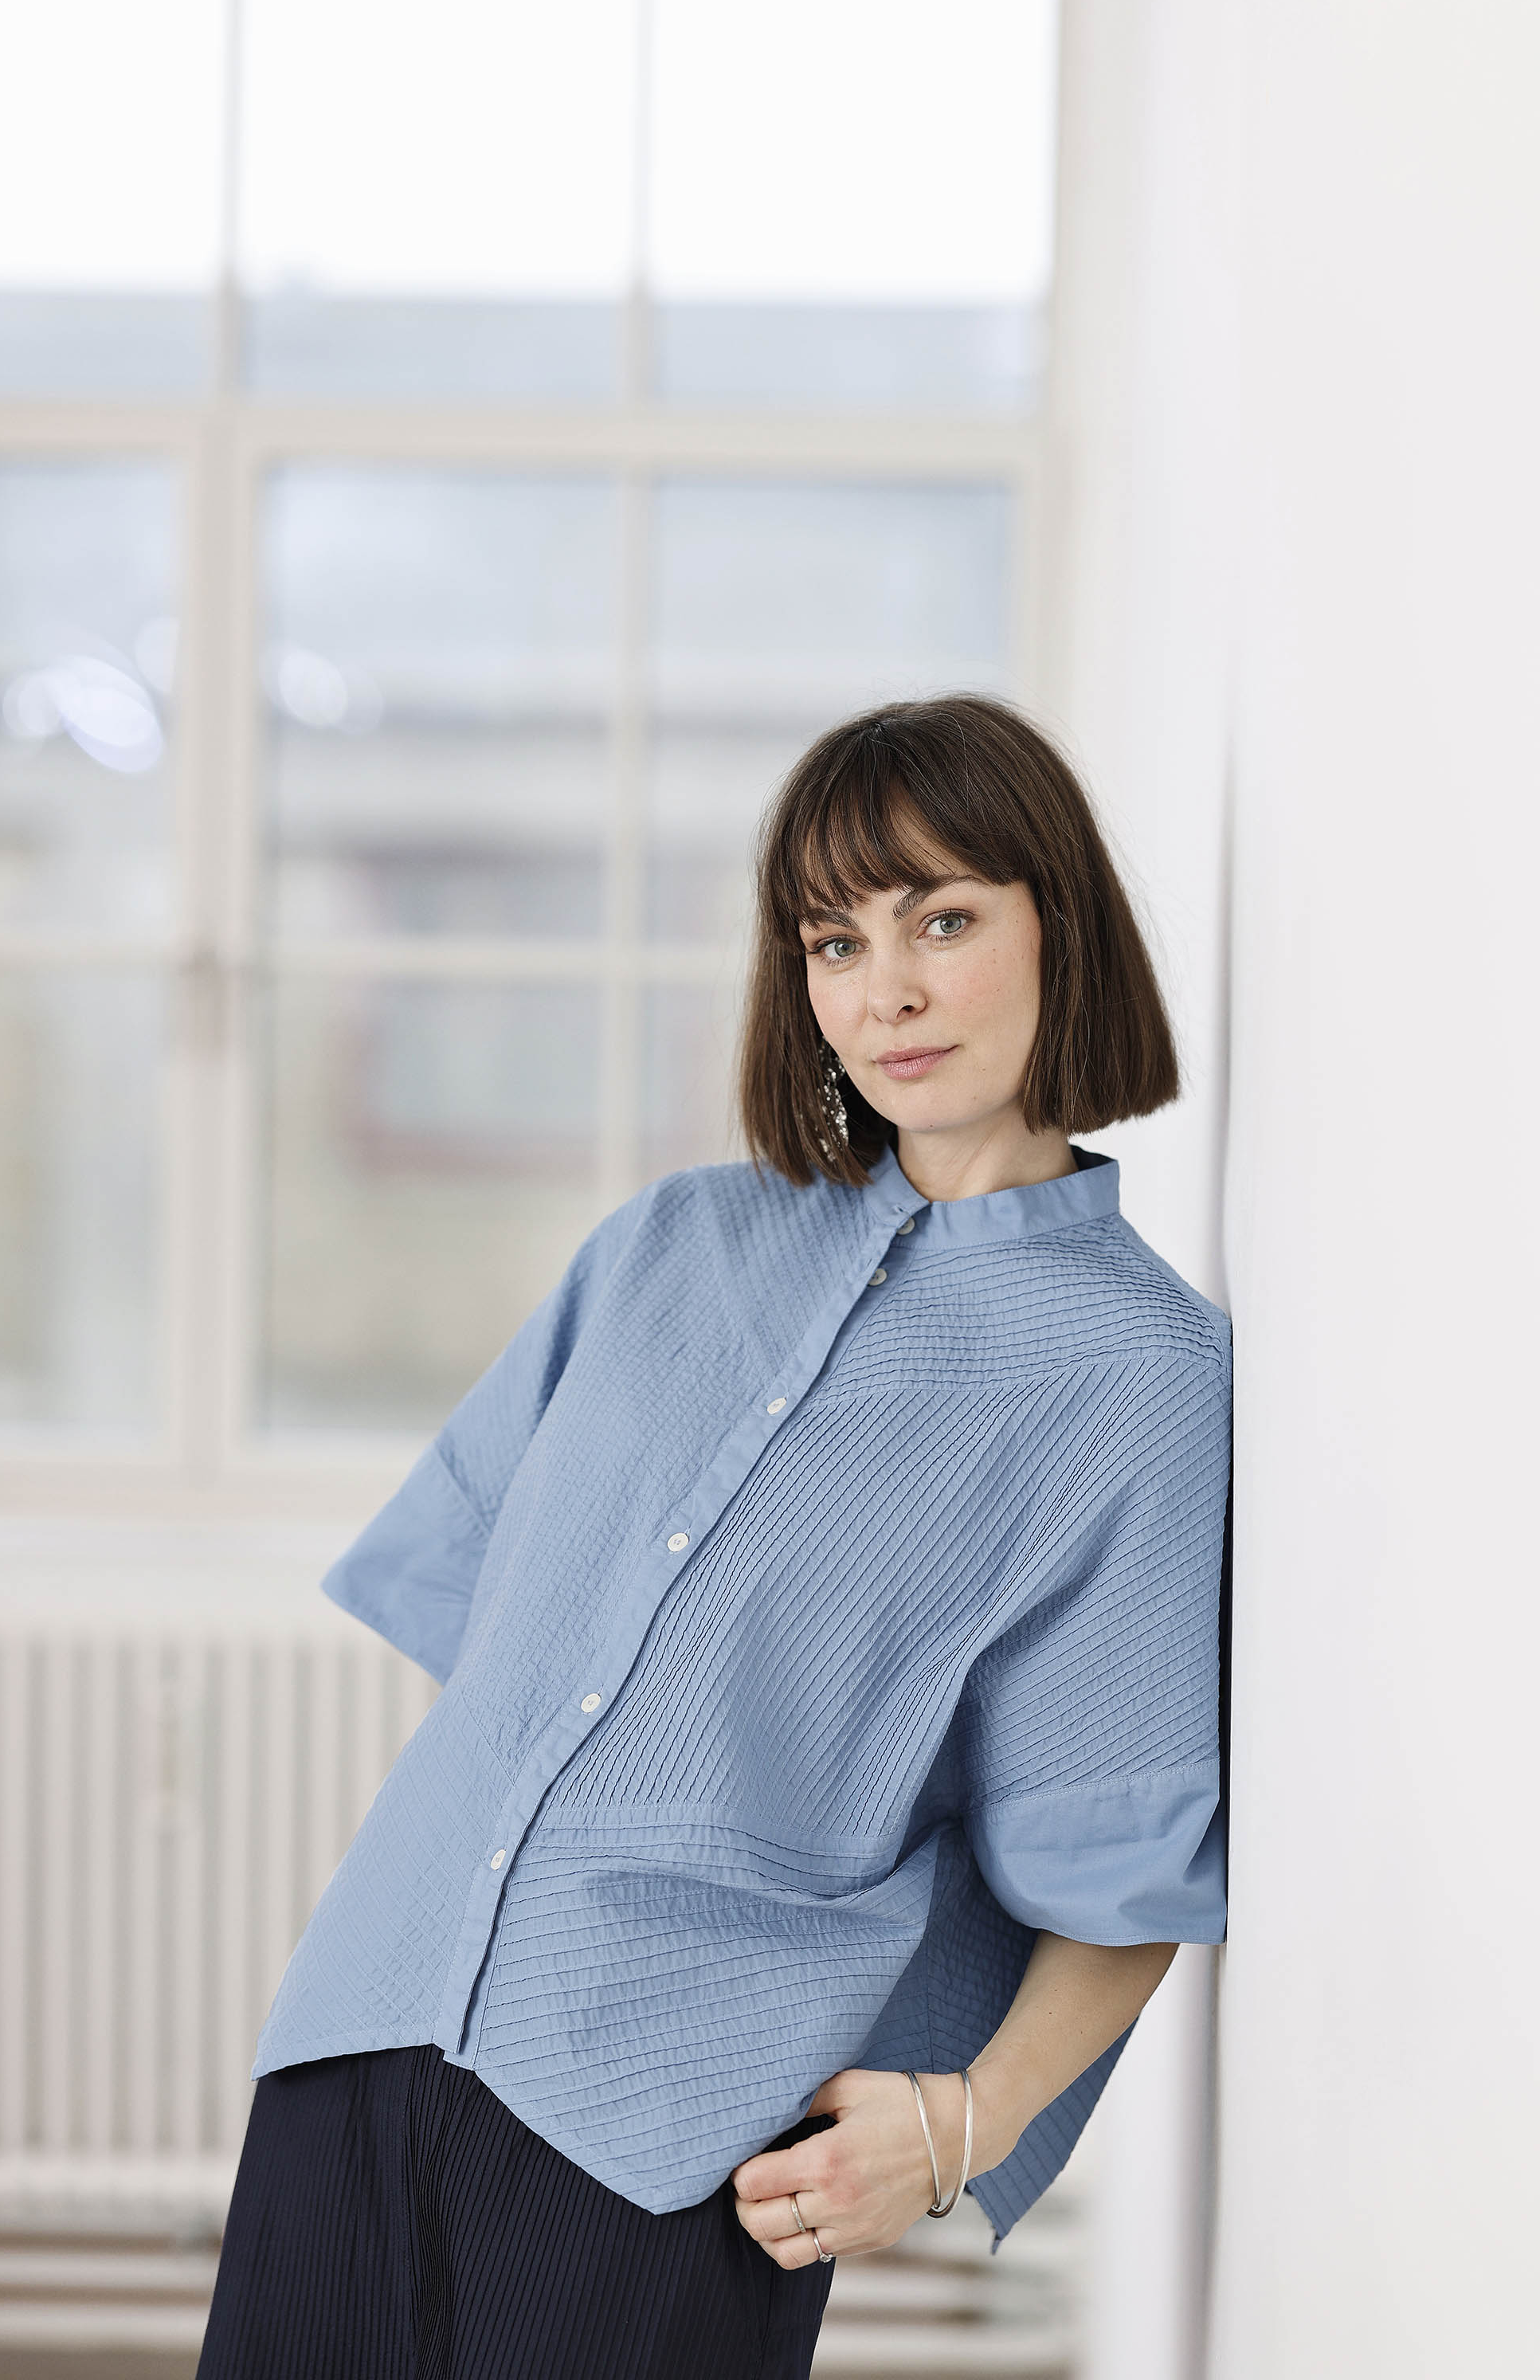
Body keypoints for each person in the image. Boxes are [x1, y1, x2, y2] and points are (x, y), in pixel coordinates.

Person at [197, 694, 1230, 2380]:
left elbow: (1120, 1859)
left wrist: (960, 2124)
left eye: (944, 921)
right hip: (362, 2030)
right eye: (835, 941)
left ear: (1064, 927)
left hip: (664, 2137)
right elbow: (513, 1653)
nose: (885, 993)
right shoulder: (667, 1246)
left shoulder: (1134, 1376)